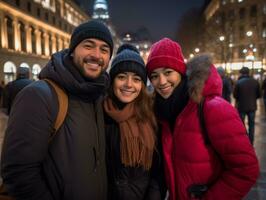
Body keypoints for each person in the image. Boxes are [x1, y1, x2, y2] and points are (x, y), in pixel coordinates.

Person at [1, 20, 113, 200]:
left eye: (104, 50)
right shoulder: (39, 95)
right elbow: (18, 174)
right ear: (72, 50)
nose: (96, 55)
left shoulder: (98, 95)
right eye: (88, 46)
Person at [146, 38, 259, 200]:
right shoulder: (161, 113)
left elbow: (246, 169)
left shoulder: (213, 108)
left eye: (168, 72)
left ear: (180, 72)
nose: (162, 81)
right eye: (155, 76)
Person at [104, 43, 165, 200]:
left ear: (142, 85)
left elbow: (157, 171)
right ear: (112, 81)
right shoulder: (100, 112)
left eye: (136, 79)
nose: (129, 84)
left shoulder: (151, 114)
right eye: (122, 77)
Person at [233, 67, 261, 145]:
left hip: (241, 107)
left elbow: (235, 95)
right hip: (252, 107)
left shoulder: (238, 82)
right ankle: (251, 141)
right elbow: (259, 95)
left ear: (241, 73)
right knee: (251, 125)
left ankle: (244, 141)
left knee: (242, 125)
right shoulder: (255, 82)